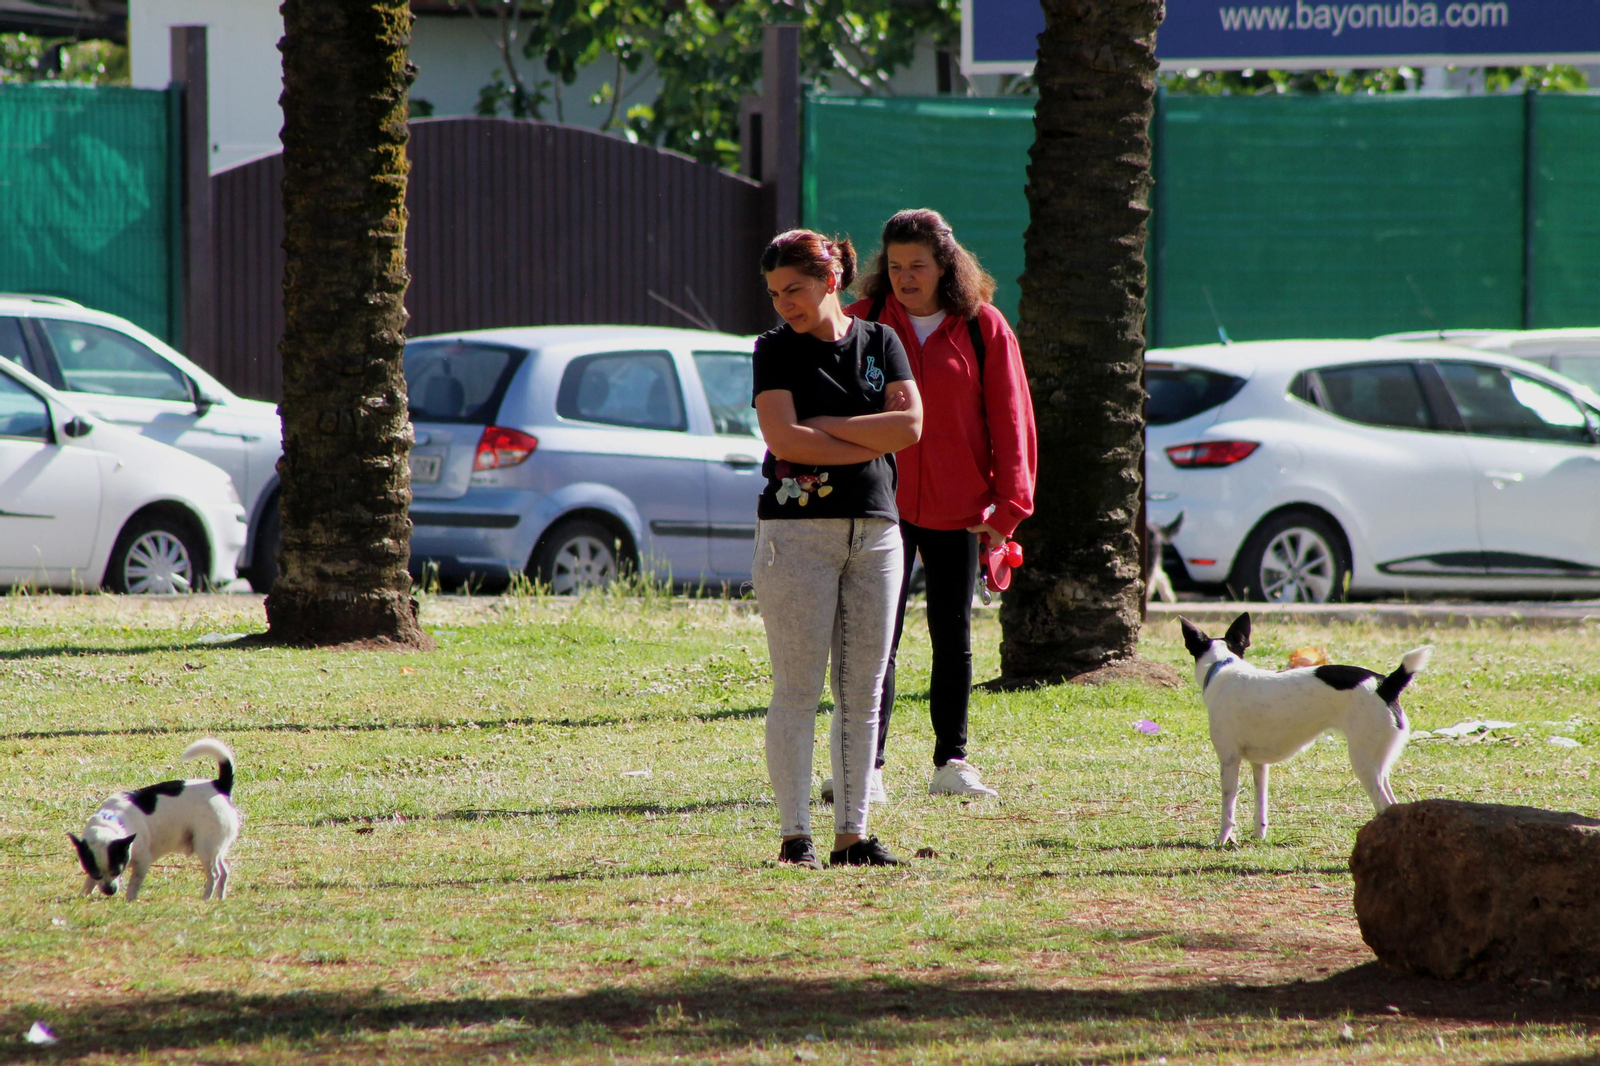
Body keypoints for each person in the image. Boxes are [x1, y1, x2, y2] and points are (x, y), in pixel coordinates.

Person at [841, 208, 1038, 800]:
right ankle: (865, 770)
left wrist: (1006, 513)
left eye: (918, 266)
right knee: (879, 637)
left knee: (954, 639)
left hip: (964, 513)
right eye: (895, 266)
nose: (905, 277)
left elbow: (1012, 422)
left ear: (945, 264)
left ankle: (951, 764)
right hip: (882, 505)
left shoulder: (984, 327)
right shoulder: (864, 321)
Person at [751, 229, 924, 868]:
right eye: (774, 293)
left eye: (794, 289)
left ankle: (852, 836)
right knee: (797, 688)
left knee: (864, 689)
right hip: (796, 536)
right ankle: (796, 837)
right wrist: (866, 437)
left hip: (876, 534)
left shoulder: (882, 341)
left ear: (831, 281)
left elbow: (910, 426)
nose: (783, 303)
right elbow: (784, 441)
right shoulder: (773, 350)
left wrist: (825, 428)